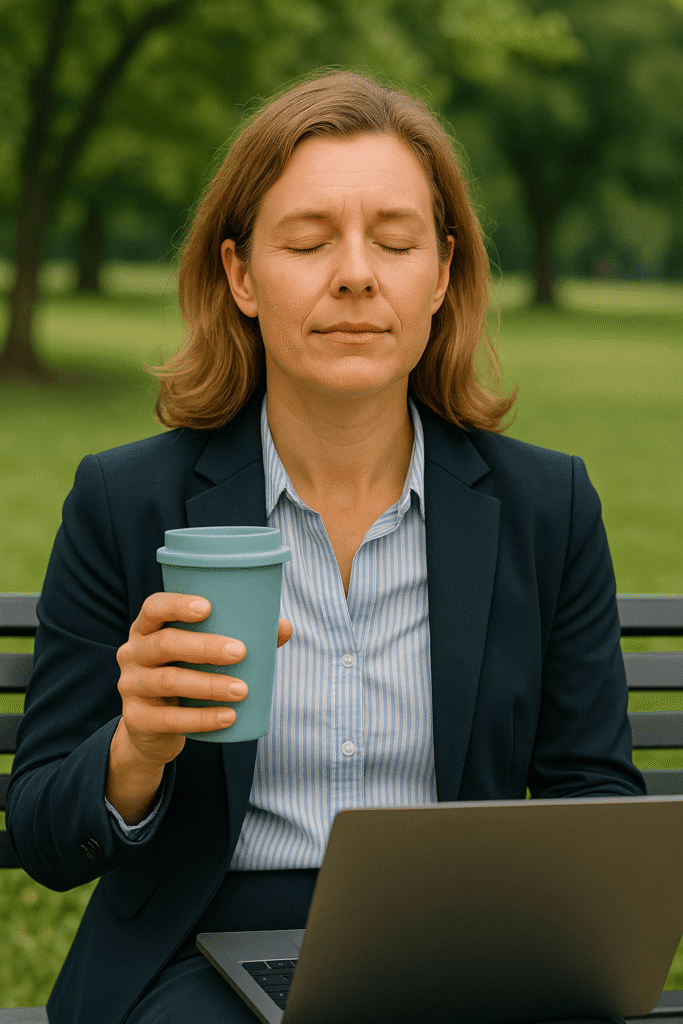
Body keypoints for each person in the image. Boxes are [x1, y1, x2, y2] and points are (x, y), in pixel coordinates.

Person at [7, 70, 644, 1024]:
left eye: (394, 241)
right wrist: (135, 746)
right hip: (197, 950)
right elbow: (47, 834)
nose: (355, 273)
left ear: (440, 274)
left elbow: (593, 789)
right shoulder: (125, 500)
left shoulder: (545, 505)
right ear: (240, 276)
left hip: (461, 945)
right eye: (307, 241)